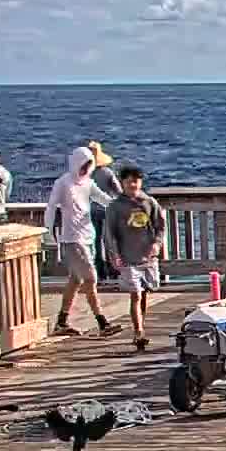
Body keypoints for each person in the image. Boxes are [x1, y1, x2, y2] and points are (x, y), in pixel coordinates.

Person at [42, 146, 120, 338]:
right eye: (82, 166)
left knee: (76, 280)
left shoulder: (88, 183)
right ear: (75, 164)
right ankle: (102, 323)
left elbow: (104, 199)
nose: (85, 170)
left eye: (88, 166)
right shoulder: (63, 183)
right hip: (72, 239)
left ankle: (61, 321)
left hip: (87, 237)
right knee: (91, 278)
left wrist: (124, 206)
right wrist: (48, 232)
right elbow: (51, 207)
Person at [104, 165, 168, 352]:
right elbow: (109, 233)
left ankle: (140, 326)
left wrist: (157, 244)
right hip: (127, 257)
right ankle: (138, 332)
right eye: (129, 181)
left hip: (147, 257)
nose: (133, 185)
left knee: (145, 293)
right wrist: (114, 254)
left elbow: (160, 226)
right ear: (122, 183)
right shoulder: (115, 206)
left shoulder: (149, 202)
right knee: (136, 294)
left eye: (136, 181)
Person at [86, 141, 119, 279]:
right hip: (107, 210)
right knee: (109, 240)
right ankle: (113, 269)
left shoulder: (86, 175)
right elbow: (118, 191)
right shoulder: (107, 173)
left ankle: (100, 270)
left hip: (92, 210)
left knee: (96, 241)